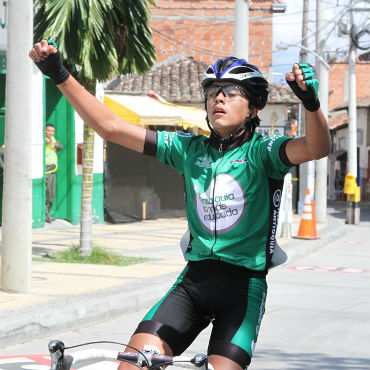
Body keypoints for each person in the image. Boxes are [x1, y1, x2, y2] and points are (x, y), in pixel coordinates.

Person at [29, 40, 330, 370]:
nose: (219, 97)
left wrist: (311, 104)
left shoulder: (265, 153)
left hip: (243, 289)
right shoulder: (188, 149)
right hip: (192, 284)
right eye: (214, 90)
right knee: (131, 364)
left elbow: (317, 147)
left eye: (231, 92)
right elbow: (110, 127)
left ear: (253, 108)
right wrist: (58, 73)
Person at [45, 123, 63, 223]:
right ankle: (45, 215)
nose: (50, 133)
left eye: (52, 131)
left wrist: (55, 145)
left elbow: (60, 147)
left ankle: (48, 213)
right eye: (48, 130)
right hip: (44, 170)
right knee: (46, 193)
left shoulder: (53, 140)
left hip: (52, 169)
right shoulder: (42, 139)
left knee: (51, 194)